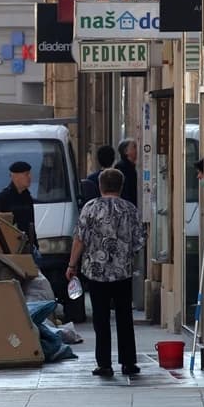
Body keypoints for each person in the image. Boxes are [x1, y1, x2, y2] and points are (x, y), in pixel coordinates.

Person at [66, 168, 145, 378]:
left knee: (100, 319)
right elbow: (138, 242)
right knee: (124, 317)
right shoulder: (130, 209)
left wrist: (72, 265)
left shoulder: (90, 208)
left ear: (100, 186)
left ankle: (104, 364)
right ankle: (128, 362)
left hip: (96, 272)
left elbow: (79, 239)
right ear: (121, 186)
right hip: (122, 272)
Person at [0, 160, 38, 250]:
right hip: (9, 246)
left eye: (30, 174)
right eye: (26, 174)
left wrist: (35, 245)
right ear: (15, 177)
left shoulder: (27, 197)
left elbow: (31, 223)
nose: (30, 177)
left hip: (26, 245)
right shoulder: (3, 198)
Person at [115, 138, 139, 207]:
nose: (137, 150)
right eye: (134, 147)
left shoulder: (132, 166)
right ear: (126, 151)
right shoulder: (121, 167)